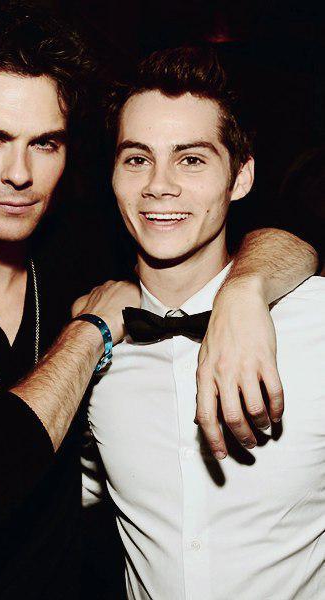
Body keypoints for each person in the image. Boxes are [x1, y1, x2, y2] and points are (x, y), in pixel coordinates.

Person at [0, 4, 318, 598]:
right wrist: (92, 331)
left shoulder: (82, 255)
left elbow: (274, 235)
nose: (19, 173)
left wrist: (246, 290)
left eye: (45, 143)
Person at [83, 46, 325, 599]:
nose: (158, 185)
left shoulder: (315, 322)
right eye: (136, 159)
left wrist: (246, 287)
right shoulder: (91, 348)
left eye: (191, 160)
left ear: (240, 177)